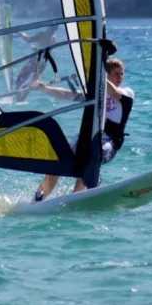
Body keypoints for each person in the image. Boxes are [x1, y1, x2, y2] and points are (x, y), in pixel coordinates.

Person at [32, 57, 134, 201]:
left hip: (109, 142)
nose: (120, 77)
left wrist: (96, 75)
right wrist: (43, 88)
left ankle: (77, 195)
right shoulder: (95, 95)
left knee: (92, 153)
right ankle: (38, 198)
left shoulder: (126, 93)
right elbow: (66, 94)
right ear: (107, 75)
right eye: (117, 73)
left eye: (122, 73)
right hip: (88, 136)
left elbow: (113, 91)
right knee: (61, 159)